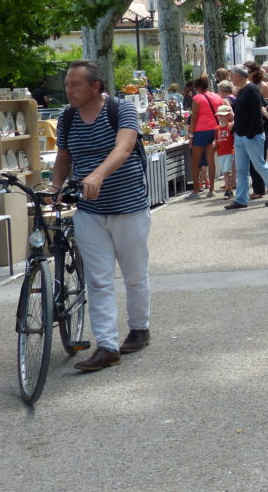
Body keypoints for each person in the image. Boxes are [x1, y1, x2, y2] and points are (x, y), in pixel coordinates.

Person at [51, 60, 151, 371]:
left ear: (95, 87)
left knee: (134, 275)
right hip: (89, 210)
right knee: (98, 280)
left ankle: (139, 328)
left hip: (128, 206)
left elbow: (123, 148)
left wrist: (97, 175)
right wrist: (55, 187)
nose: (69, 90)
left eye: (75, 85)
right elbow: (64, 156)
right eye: (68, 84)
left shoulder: (121, 110)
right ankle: (107, 345)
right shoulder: (67, 117)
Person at [224, 65, 268, 210]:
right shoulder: (243, 90)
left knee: (259, 165)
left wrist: (251, 132)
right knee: (241, 169)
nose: (231, 78)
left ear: (238, 76)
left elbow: (256, 113)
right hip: (242, 134)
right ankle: (241, 198)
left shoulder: (251, 90)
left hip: (251, 135)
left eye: (232, 75)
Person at [187, 77, 222, 199]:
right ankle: (211, 188)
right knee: (211, 160)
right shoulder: (217, 97)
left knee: (195, 161)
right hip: (214, 129)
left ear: (197, 87)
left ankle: (196, 189)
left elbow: (194, 118)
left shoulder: (197, 98)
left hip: (200, 131)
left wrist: (191, 135)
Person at [213, 104, 235, 198]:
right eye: (220, 115)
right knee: (225, 172)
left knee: (226, 172)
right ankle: (229, 190)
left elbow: (235, 138)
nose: (221, 117)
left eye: (223, 115)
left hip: (230, 152)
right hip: (220, 152)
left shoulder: (231, 126)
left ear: (228, 115)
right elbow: (216, 139)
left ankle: (227, 191)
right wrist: (214, 143)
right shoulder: (217, 128)